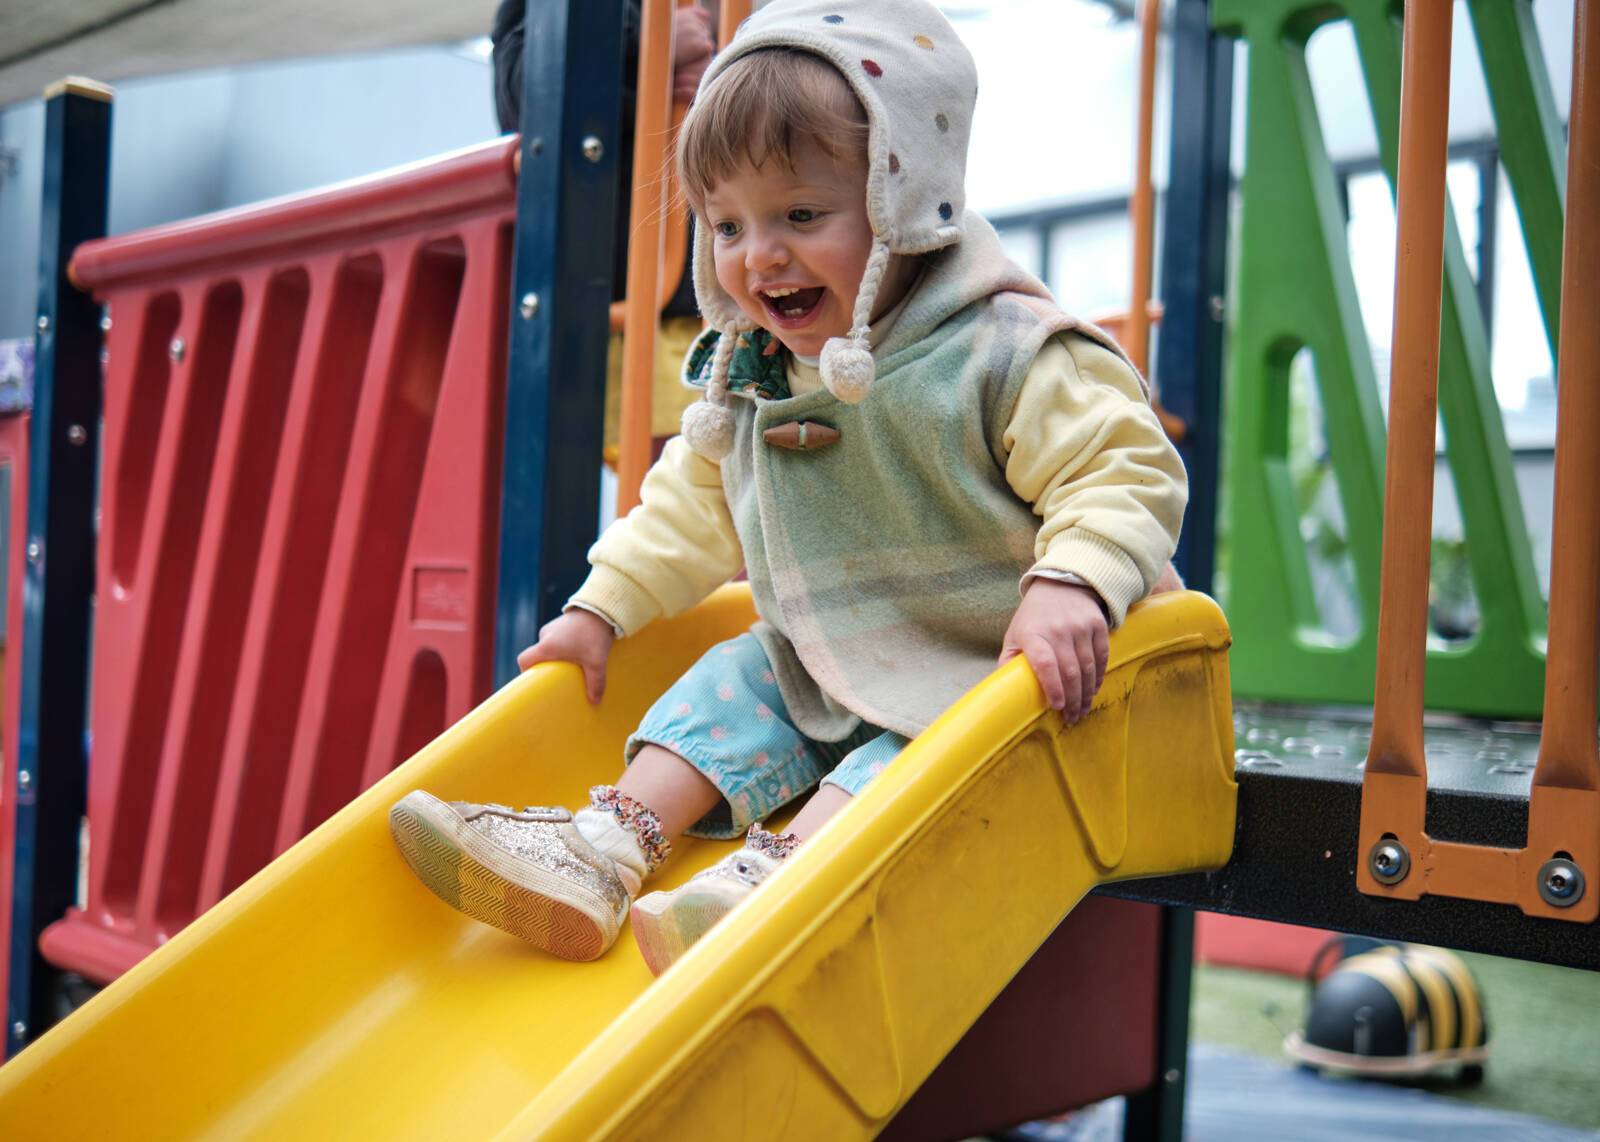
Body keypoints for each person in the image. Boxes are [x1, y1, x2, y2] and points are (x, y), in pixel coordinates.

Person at [391, 0, 1187, 975]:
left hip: (989, 674)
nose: (757, 254)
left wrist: (1074, 581)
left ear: (905, 202)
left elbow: (1124, 466)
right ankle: (605, 846)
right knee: (737, 676)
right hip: (832, 653)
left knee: (907, 758)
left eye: (800, 214)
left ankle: (784, 875)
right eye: (725, 223)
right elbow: (691, 502)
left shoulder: (1003, 348)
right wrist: (602, 605)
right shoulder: (755, 369)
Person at [494, 0, 715, 459]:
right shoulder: (567, 13)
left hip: (700, 290)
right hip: (619, 304)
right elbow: (532, 98)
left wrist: (707, 79)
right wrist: (650, 54)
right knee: (670, 482)